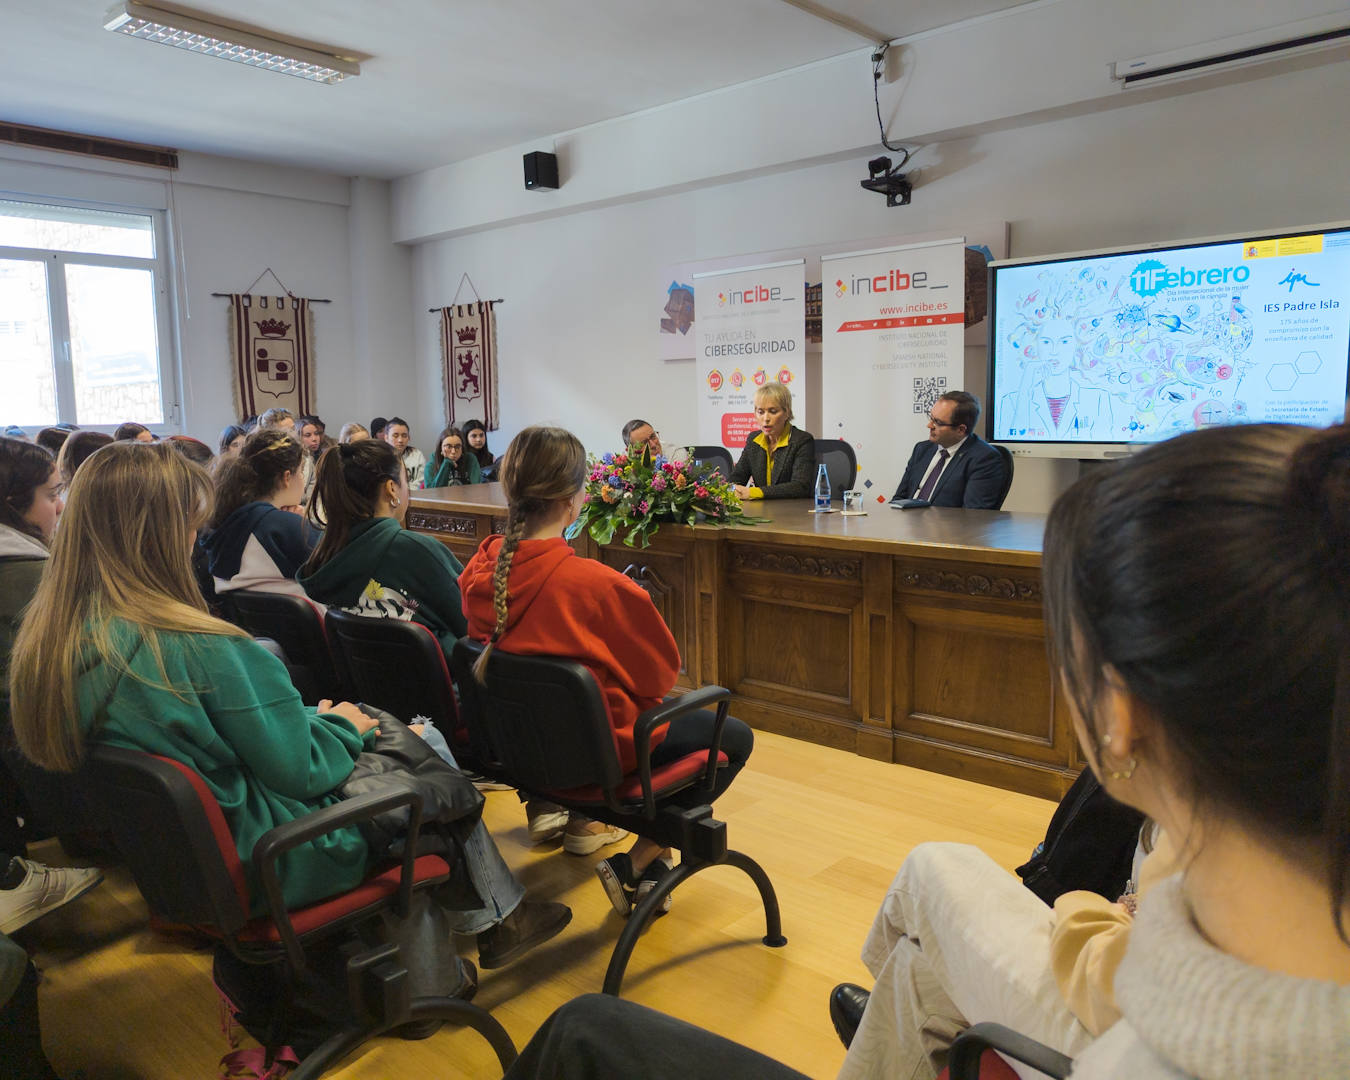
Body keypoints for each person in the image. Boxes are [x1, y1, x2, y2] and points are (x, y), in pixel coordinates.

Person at [7, 441, 570, 972]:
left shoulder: (56, 644)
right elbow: (302, 770)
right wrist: (342, 726)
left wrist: (315, 723)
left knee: (391, 740)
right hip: (275, 851)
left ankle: (484, 922)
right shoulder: (201, 648)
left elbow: (214, 742)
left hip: (191, 863)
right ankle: (491, 923)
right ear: (159, 534)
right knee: (420, 747)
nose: (194, 542)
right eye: (190, 528)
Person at [460, 426, 755, 904]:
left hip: (518, 755)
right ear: (574, 499)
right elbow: (660, 676)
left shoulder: (478, 572)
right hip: (595, 760)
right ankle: (641, 857)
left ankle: (648, 861)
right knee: (733, 735)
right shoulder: (596, 585)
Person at [0, 438, 104, 928]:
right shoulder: (26, 571)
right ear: (13, 506)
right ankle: (13, 883)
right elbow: (85, 660)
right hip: (31, 732)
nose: (60, 504)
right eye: (50, 493)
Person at [299, 439, 466, 656]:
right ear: (392, 489)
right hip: (443, 686)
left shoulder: (327, 549)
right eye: (405, 481)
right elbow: (473, 623)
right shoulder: (414, 551)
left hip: (364, 687)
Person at [200, 429, 319, 598]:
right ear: (286, 478)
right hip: (311, 623)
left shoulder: (223, 522)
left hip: (243, 623)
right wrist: (302, 524)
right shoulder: (284, 527)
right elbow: (335, 569)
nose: (301, 477)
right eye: (300, 471)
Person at [892, 391, 1007, 508]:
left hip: (946, 525)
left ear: (961, 430)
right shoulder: (922, 449)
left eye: (937, 422)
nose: (929, 425)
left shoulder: (984, 459)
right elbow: (899, 499)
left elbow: (973, 514)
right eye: (931, 418)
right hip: (908, 523)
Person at [729, 383, 815, 500]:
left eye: (773, 411)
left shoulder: (802, 440)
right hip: (761, 513)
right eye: (760, 412)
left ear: (787, 413)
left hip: (793, 513)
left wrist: (754, 492)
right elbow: (736, 478)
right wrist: (733, 489)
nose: (766, 419)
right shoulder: (753, 440)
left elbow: (800, 487)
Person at [382, 416, 426, 489]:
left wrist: (403, 490)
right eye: (395, 436)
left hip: (415, 496)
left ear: (409, 437)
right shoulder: (380, 457)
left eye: (404, 436)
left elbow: (422, 481)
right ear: (386, 438)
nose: (400, 440)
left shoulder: (416, 454)